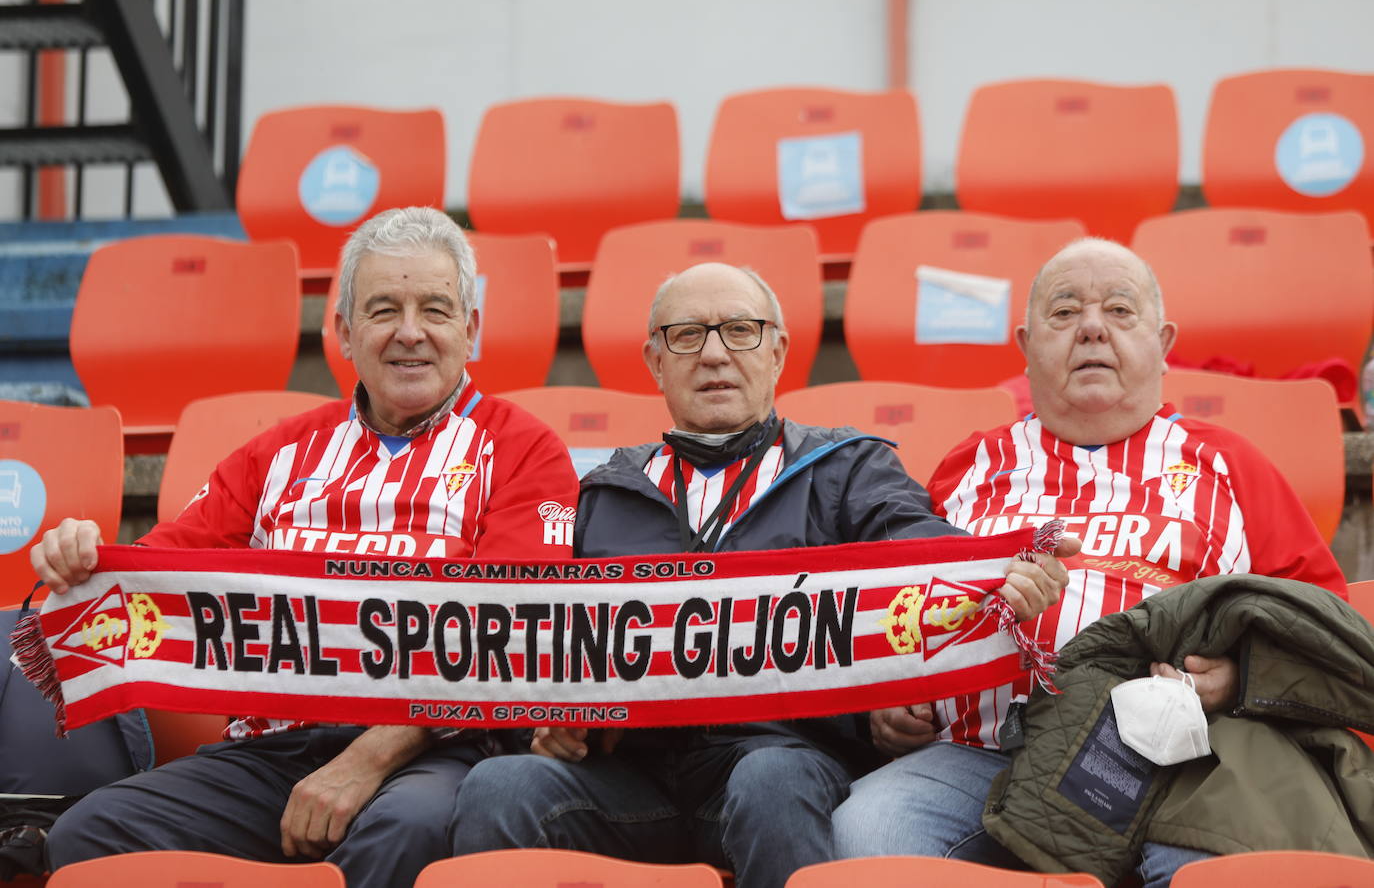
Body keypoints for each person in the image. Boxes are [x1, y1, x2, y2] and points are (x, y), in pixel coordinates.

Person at [448, 262, 1078, 888]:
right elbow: (537, 639)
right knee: (503, 784)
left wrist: (999, 569)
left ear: (778, 352)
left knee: (769, 778)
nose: (715, 355)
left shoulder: (847, 471)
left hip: (785, 758)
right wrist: (551, 718)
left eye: (741, 331)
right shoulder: (602, 495)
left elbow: (922, 550)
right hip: (632, 778)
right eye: (687, 335)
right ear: (654, 362)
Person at [32, 207, 580, 888]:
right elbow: (163, 570)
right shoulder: (282, 450)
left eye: (435, 310)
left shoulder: (525, 451)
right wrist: (84, 554)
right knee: (93, 834)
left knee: (407, 830)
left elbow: (510, 634)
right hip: (272, 748)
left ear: (470, 330)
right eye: (383, 310)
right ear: (345, 334)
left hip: (433, 750)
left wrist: (365, 761)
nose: (411, 332)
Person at [831, 238, 1347, 887]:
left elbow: (1322, 622)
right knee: (871, 831)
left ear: (1163, 341)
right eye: (1065, 311)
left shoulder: (1228, 465)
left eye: (1120, 312)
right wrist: (896, 702)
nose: (1093, 328)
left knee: (1217, 868)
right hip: (981, 755)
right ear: (1025, 343)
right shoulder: (971, 467)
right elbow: (907, 606)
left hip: (1178, 761)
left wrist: (1237, 678)